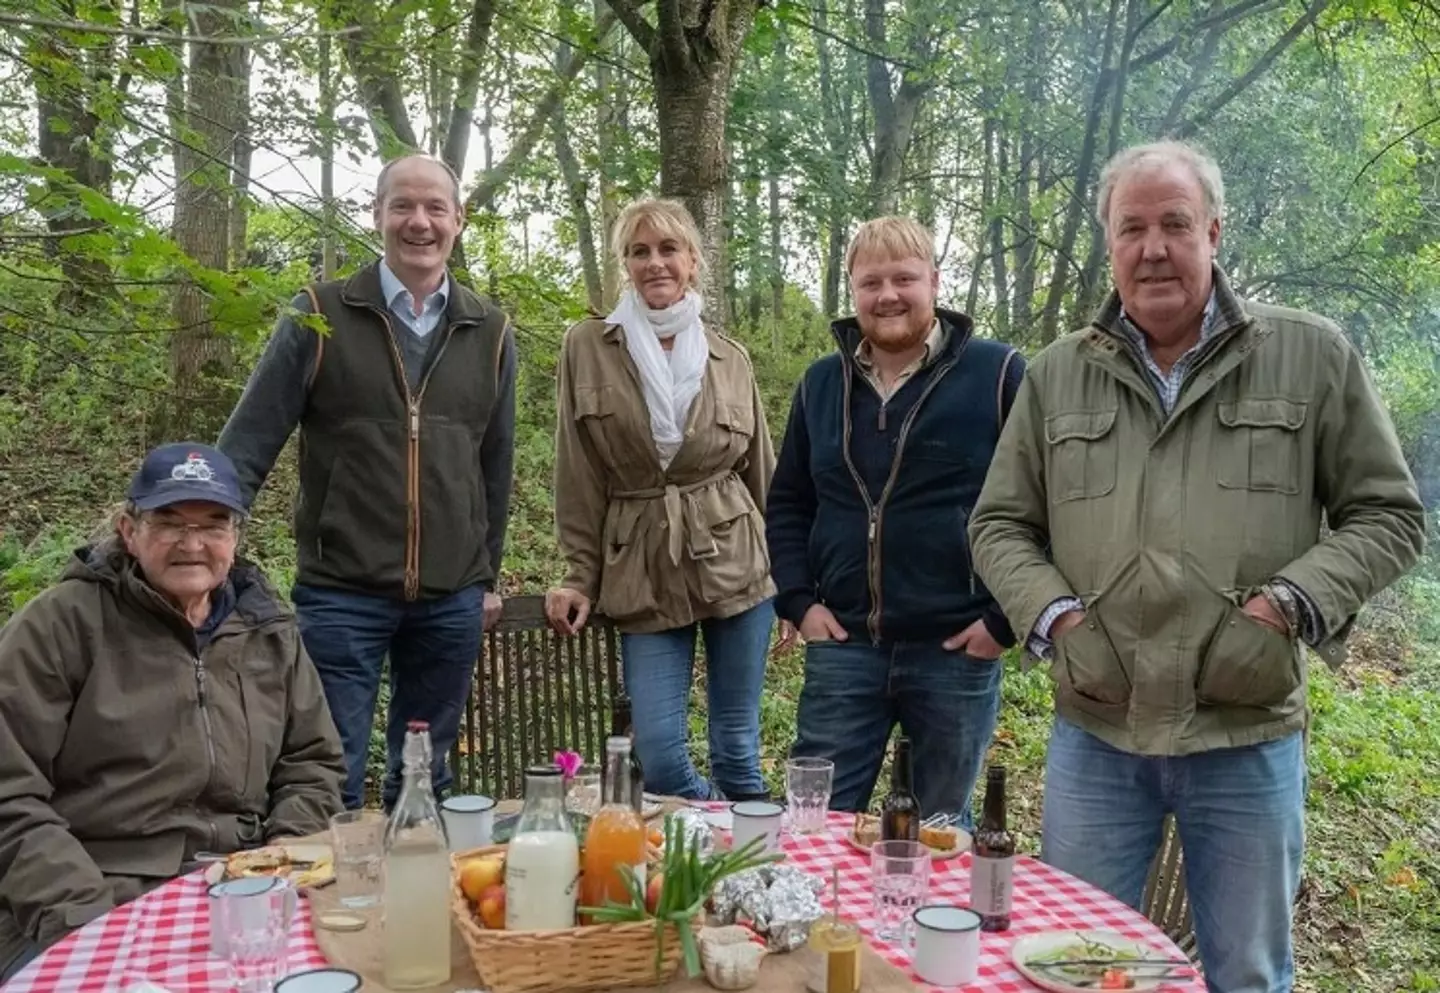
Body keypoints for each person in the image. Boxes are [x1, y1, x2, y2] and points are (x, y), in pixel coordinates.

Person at [968, 141, 1425, 993]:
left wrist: (1287, 604)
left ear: (1214, 232)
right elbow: (999, 523)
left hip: (1244, 733)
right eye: (1131, 228)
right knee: (1077, 966)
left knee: (1247, 972)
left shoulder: (1310, 355)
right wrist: (1060, 617)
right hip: (1097, 734)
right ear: (1109, 245)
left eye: (1174, 224)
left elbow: (1388, 515)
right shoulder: (1061, 372)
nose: (1153, 248)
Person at [218, 153, 516, 810]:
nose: (419, 222)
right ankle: (335, 909)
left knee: (426, 778)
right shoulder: (320, 315)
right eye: (403, 206)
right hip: (342, 592)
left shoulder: (489, 331)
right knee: (332, 771)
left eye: (436, 207)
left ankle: (420, 909)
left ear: (458, 221)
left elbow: (494, 466)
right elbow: (249, 441)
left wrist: (484, 574)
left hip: (450, 599)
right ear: (376, 215)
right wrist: (207, 537)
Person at [0, 443, 344, 983]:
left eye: (213, 525)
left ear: (235, 538)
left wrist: (285, 856)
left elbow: (313, 760)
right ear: (128, 531)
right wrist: (83, 913)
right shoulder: (59, 627)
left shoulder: (266, 628)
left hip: (245, 880)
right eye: (169, 523)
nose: (192, 544)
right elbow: (9, 795)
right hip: (97, 888)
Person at [765, 216, 1024, 826]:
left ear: (934, 282)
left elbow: (1045, 502)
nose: (887, 296)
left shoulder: (998, 375)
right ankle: (815, 924)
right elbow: (789, 503)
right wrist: (800, 602)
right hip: (844, 644)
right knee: (816, 820)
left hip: (956, 648)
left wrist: (1004, 619)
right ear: (852, 291)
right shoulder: (820, 385)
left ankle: (929, 924)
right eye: (870, 282)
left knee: (940, 830)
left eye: (904, 278)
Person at [544, 198, 775, 801]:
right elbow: (578, 472)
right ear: (625, 264)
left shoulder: (730, 358)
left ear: (694, 261)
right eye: (638, 252)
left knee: (738, 748)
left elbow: (763, 474)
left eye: (669, 249)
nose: (655, 263)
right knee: (662, 756)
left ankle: (748, 872)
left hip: (737, 561)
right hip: (639, 565)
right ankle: (709, 829)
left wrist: (791, 578)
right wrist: (579, 575)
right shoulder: (589, 345)